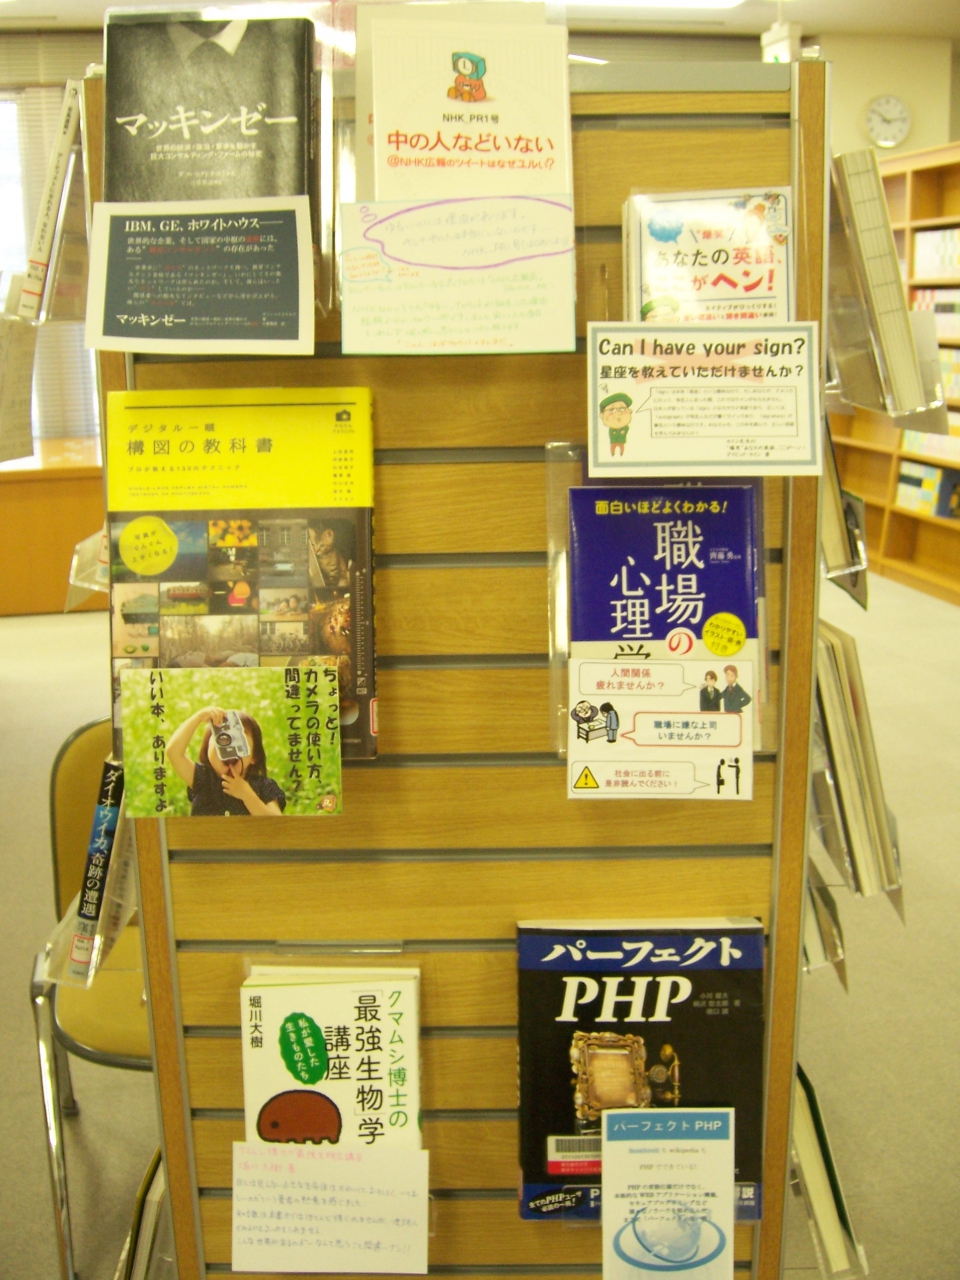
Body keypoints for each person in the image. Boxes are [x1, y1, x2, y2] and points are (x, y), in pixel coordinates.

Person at [167, 706, 286, 815]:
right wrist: (198, 717)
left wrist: (248, 796)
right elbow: (173, 753)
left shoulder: (264, 786)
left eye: (238, 738)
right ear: (207, 750)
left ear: (254, 756)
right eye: (221, 739)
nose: (229, 745)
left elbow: (276, 823)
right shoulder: (202, 778)